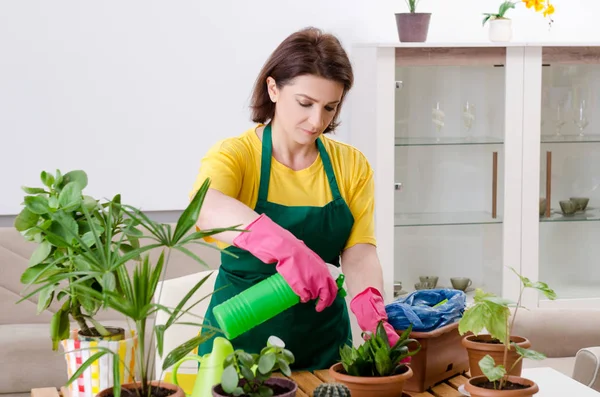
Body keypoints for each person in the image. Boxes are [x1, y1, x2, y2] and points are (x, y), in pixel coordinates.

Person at [190, 26, 398, 371]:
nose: (318, 121)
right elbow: (207, 208)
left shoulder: (351, 165)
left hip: (323, 348)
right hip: (237, 349)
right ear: (273, 88)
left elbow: (359, 252)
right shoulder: (237, 155)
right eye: (305, 103)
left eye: (330, 107)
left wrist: (371, 311)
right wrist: (289, 249)